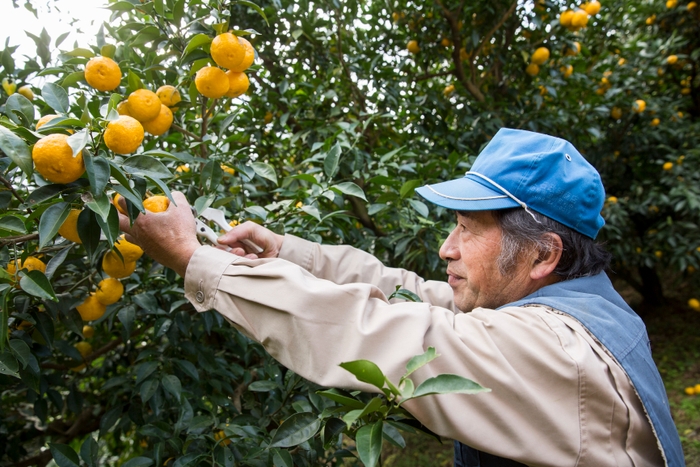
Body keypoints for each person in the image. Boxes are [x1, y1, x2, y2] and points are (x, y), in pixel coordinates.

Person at [119, 128, 684, 467]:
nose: (447, 247)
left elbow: (375, 328)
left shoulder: (556, 352)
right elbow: (412, 296)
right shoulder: (571, 305)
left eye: (468, 228)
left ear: (543, 254)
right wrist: (287, 252)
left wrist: (196, 260)